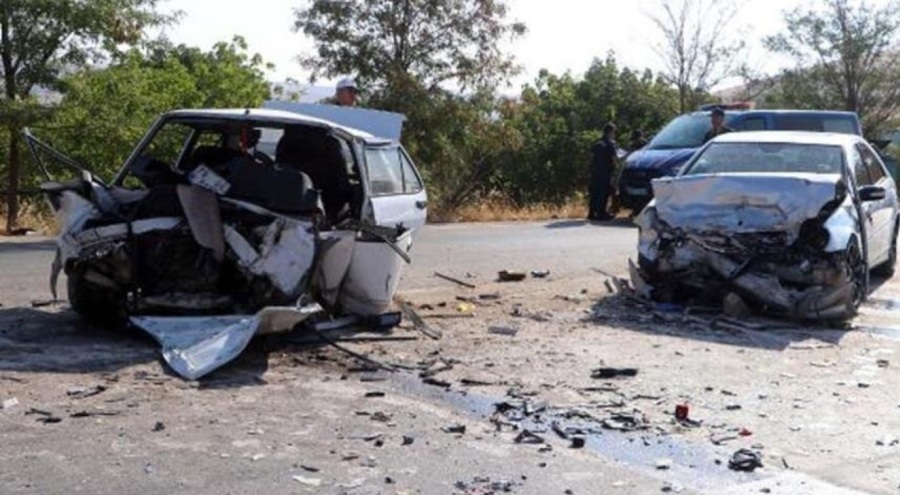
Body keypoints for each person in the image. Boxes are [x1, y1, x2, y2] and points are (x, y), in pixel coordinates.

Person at [588, 123, 618, 221]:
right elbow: (614, 159)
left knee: (595, 192)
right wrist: (615, 168)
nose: (614, 134)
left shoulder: (597, 142)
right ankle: (601, 213)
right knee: (604, 192)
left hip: (595, 171)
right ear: (610, 132)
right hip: (605, 172)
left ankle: (591, 213)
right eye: (614, 132)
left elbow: (590, 156)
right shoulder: (610, 144)